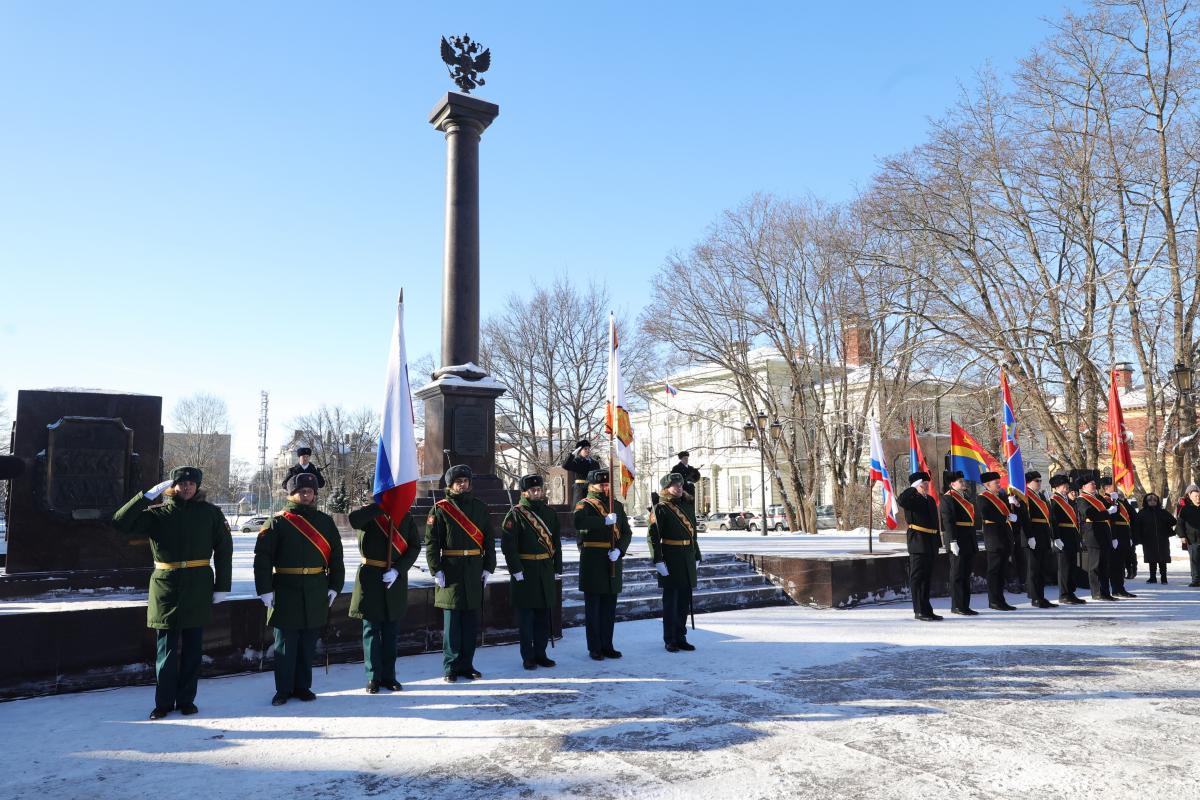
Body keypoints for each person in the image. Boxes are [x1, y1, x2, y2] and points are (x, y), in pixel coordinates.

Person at [112, 466, 233, 720]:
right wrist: (146, 496)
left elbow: (224, 551)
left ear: (197, 486)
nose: (187, 487)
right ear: (173, 486)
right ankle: (163, 703)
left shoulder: (210, 513)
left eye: (191, 483)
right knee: (165, 651)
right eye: (182, 483)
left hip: (198, 586)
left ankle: (187, 700)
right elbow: (120, 522)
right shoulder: (158, 514)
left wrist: (222, 586)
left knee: (193, 650)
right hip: (166, 587)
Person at [253, 472, 345, 705]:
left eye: (310, 491)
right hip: (285, 589)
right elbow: (262, 559)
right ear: (292, 494)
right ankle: (283, 689)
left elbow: (336, 557)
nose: (306, 495)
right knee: (285, 644)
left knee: (307, 644)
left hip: (316, 589)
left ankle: (303, 686)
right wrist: (264, 589)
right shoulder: (277, 521)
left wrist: (335, 585)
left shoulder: (325, 521)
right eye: (301, 491)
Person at [426, 464, 497, 682]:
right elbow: (431, 543)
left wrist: (488, 566)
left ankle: (467, 665)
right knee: (452, 625)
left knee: (470, 623)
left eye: (465, 481)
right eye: (458, 481)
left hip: (474, 568)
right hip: (451, 569)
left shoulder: (479, 507)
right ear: (450, 484)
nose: (462, 484)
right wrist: (436, 569)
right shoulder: (440, 509)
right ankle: (451, 667)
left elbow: (489, 540)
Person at [347, 502, 421, 693]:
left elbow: (414, 546)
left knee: (391, 632)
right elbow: (354, 520)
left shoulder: (405, 516)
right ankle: (373, 677)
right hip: (370, 579)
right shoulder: (368, 513)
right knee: (371, 631)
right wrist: (379, 506)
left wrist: (398, 569)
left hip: (394, 579)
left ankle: (389, 676)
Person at [501, 474, 563, 670]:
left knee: (543, 617)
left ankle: (541, 653)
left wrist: (557, 568)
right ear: (524, 492)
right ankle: (528, 656)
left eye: (539, 489)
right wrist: (516, 570)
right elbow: (508, 546)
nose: (538, 492)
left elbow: (557, 544)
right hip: (525, 571)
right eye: (533, 490)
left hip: (545, 570)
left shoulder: (549, 513)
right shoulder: (516, 514)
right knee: (526, 619)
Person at [573, 468, 632, 660]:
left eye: (608, 484)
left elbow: (626, 533)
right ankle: (595, 647)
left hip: (612, 560)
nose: (606, 487)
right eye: (602, 484)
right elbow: (578, 522)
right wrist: (603, 521)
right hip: (593, 561)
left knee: (609, 608)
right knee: (594, 608)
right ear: (591, 486)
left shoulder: (617, 505)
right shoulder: (585, 504)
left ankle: (607, 645)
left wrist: (620, 550)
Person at [649, 473, 703, 650]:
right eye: (675, 486)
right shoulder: (660, 508)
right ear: (666, 488)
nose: (679, 488)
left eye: (680, 485)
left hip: (687, 557)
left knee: (683, 602)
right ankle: (670, 639)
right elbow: (653, 537)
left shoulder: (687, 505)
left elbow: (693, 535)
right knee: (671, 602)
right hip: (671, 557)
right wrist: (658, 560)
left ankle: (681, 637)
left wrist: (697, 555)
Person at [897, 470, 942, 621]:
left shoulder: (929, 499)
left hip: (930, 541)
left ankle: (927, 609)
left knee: (927, 577)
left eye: (927, 483)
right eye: (923, 483)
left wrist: (938, 542)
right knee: (917, 577)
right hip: (918, 540)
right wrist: (913, 487)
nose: (926, 485)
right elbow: (901, 500)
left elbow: (935, 522)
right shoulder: (911, 498)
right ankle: (919, 610)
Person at [1015, 471, 1057, 608]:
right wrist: (1029, 536)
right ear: (1028, 482)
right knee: (1033, 569)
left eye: (1040, 480)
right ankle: (1035, 598)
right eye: (1036, 481)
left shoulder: (1040, 495)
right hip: (1032, 534)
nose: (1039, 482)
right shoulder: (1024, 495)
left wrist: (1051, 536)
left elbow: (1047, 518)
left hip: (1043, 534)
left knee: (1041, 568)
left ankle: (1041, 596)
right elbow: (1024, 517)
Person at [977, 471, 1017, 611]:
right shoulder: (983, 498)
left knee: (1002, 571)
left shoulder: (1002, 496)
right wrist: (1005, 518)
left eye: (999, 482)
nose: (999, 485)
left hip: (1005, 537)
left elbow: (1010, 513)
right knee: (994, 571)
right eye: (996, 483)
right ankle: (994, 601)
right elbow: (986, 513)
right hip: (994, 538)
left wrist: (1013, 505)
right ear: (987, 484)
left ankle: (1001, 600)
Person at [1075, 471, 1118, 601]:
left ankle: (1105, 592)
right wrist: (1107, 512)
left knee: (1105, 564)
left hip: (1104, 532)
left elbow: (1112, 512)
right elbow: (1090, 514)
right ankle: (1097, 592)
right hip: (1093, 533)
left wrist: (1114, 501)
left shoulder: (1098, 498)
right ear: (1083, 487)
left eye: (1094, 483)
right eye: (1091, 484)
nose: (1094, 485)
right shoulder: (1081, 499)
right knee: (1095, 565)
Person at [941, 470, 978, 615]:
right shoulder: (948, 498)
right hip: (957, 538)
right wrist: (952, 541)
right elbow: (948, 521)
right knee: (957, 574)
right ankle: (957, 605)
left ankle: (965, 605)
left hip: (968, 539)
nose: (964, 483)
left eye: (963, 480)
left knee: (966, 574)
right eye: (960, 481)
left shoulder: (966, 497)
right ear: (952, 484)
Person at [1048, 474, 1085, 604]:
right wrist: (1056, 537)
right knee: (1064, 567)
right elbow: (1053, 520)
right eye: (1064, 485)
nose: (1067, 487)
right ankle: (1064, 594)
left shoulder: (1066, 500)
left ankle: (1071, 592)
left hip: (1071, 535)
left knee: (1072, 566)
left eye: (1067, 485)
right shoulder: (1054, 500)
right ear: (1057, 487)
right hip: (1062, 536)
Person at [1102, 477, 1137, 597]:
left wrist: (1130, 535)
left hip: (1124, 533)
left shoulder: (1118, 501)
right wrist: (1113, 537)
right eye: (1114, 486)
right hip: (1116, 533)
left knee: (1121, 563)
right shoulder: (1105, 500)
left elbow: (1130, 517)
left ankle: (1120, 587)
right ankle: (1116, 588)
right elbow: (1111, 520)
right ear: (1107, 488)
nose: (1117, 488)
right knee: (1115, 563)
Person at [1133, 493, 1175, 584]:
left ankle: (1164, 577)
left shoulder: (1162, 512)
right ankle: (1152, 577)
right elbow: (1137, 526)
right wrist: (1138, 538)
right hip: (1148, 539)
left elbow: (1173, 521)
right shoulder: (1142, 513)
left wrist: (1165, 522)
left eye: (1154, 500)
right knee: (1151, 558)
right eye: (1150, 500)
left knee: (1163, 558)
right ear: (1146, 501)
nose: (1152, 502)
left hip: (1162, 538)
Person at [562, 439, 603, 506]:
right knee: (580, 508)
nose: (587, 450)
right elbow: (565, 466)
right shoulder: (576, 461)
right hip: (580, 489)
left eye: (588, 449)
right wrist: (572, 454)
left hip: (592, 489)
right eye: (585, 449)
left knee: (593, 508)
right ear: (580, 451)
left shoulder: (595, 463)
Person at [1179, 484, 1200, 587]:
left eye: (1199, 496)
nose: (1198, 498)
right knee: (1195, 560)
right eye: (1195, 496)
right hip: (1192, 539)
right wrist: (1182, 536)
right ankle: (1196, 580)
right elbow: (1180, 524)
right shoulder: (1185, 509)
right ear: (1190, 496)